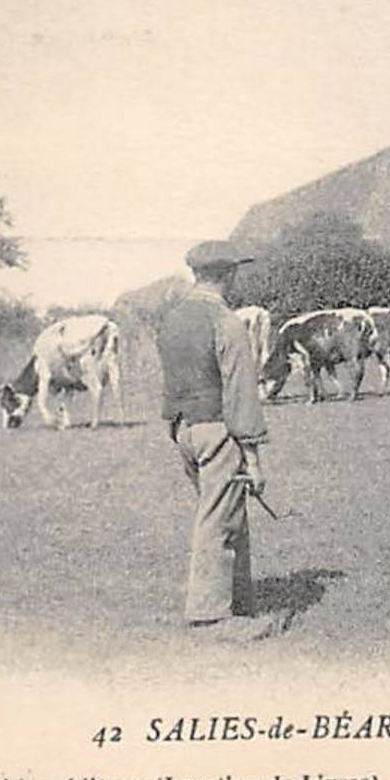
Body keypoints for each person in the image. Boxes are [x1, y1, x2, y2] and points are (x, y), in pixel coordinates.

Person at [156, 239, 279, 636]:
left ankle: (240, 604)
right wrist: (254, 458)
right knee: (217, 520)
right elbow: (241, 392)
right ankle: (211, 616)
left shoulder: (172, 319)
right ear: (228, 273)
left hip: (183, 429)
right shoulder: (226, 321)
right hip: (216, 429)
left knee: (228, 513)